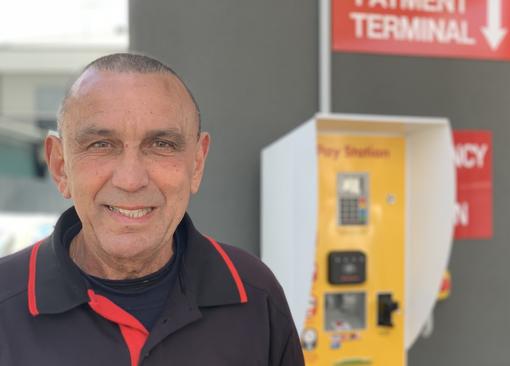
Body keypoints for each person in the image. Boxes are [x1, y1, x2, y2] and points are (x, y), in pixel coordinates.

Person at [0, 53, 305, 366]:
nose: (131, 181)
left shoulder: (255, 294)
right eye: (101, 145)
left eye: (162, 145)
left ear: (197, 164)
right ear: (60, 166)